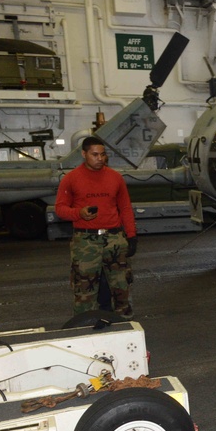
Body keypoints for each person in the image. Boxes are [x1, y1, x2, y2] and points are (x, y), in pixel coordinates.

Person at [54, 136, 137, 318]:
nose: (100, 159)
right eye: (95, 155)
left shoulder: (115, 178)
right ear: (84, 154)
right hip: (85, 240)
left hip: (114, 238)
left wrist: (131, 235)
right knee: (84, 285)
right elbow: (60, 208)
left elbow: (125, 208)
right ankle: (85, 321)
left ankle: (123, 319)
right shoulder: (71, 179)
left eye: (102, 155)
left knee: (121, 283)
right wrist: (79, 213)